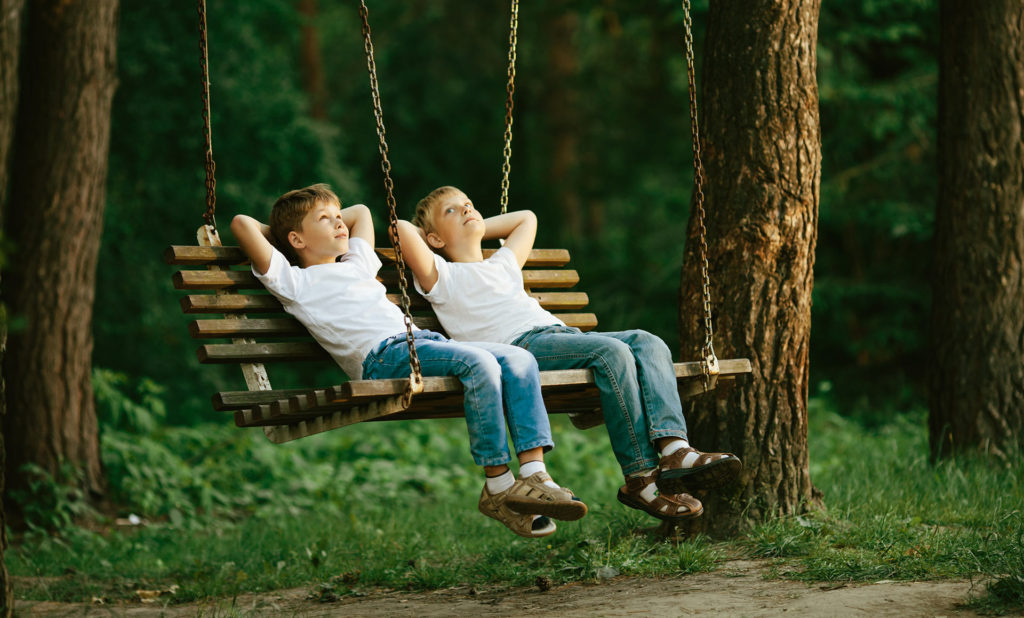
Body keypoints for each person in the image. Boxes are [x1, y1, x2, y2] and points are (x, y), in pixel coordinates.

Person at [230, 183, 588, 538]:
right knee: (479, 364)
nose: (341, 224)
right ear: (295, 240)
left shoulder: (358, 263)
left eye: (338, 218)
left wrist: (321, 220)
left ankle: (533, 475)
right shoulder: (292, 280)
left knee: (519, 360)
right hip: (384, 357)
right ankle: (497, 486)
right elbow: (242, 223)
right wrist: (280, 231)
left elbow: (361, 213)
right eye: (325, 220)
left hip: (424, 342)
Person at [397, 186, 743, 524]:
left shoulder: (502, 263)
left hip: (560, 337)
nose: (468, 210)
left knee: (648, 342)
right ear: (434, 239)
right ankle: (640, 476)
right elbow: (400, 229)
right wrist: (456, 228)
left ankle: (674, 449)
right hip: (519, 348)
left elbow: (526, 219)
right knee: (612, 353)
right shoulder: (441, 276)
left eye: (469, 203)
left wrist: (474, 222)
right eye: (452, 211)